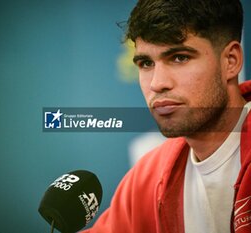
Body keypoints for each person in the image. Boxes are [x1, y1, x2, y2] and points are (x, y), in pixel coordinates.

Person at [80, 0, 251, 232]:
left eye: (179, 57)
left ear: (231, 61)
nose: (158, 83)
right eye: (146, 63)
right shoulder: (147, 179)